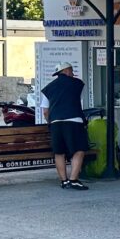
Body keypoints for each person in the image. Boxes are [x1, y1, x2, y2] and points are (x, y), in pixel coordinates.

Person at [42, 62, 90, 190]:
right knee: (79, 150)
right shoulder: (77, 84)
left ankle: (64, 181)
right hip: (74, 121)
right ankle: (73, 179)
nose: (73, 74)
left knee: (59, 152)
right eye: (72, 71)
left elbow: (45, 111)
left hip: (55, 124)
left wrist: (51, 122)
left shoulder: (48, 88)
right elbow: (81, 102)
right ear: (67, 71)